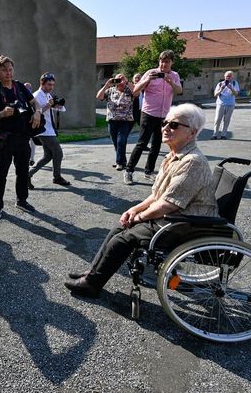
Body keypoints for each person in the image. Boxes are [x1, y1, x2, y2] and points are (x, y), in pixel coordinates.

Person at [64, 104, 218, 298]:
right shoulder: (173, 157)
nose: (166, 128)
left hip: (183, 224)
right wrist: (133, 210)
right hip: (171, 217)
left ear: (192, 132)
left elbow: (168, 204)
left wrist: (138, 218)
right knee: (119, 227)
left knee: (123, 238)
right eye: (165, 123)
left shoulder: (192, 161)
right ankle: (93, 273)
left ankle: (92, 284)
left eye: (174, 125)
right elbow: (156, 195)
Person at [0, 55, 42, 220]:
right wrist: (1, 113)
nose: (8, 73)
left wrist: (37, 112)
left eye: (10, 70)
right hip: (4, 138)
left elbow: (34, 102)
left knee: (23, 171)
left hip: (22, 136)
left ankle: (22, 200)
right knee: (0, 173)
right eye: (4, 70)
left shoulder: (20, 86)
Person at [124, 50, 183, 185]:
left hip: (164, 116)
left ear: (172, 62)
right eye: (162, 61)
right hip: (148, 114)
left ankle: (149, 172)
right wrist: (146, 80)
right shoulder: (150, 73)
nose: (163, 64)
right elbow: (135, 91)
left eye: (167, 62)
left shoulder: (174, 76)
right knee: (142, 143)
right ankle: (129, 171)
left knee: (156, 145)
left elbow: (179, 90)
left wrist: (170, 82)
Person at [28, 72, 71, 188]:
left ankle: (27, 175)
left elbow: (58, 109)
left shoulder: (47, 95)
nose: (51, 87)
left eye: (52, 85)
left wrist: (59, 104)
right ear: (42, 83)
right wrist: (48, 105)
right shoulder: (36, 96)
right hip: (43, 130)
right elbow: (36, 113)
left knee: (48, 156)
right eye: (49, 84)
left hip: (49, 129)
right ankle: (57, 177)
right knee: (58, 153)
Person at [96, 74, 134, 171]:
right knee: (116, 142)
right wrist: (106, 85)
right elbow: (99, 97)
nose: (119, 81)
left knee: (121, 141)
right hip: (112, 120)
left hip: (125, 121)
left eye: (121, 79)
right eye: (118, 79)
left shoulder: (128, 90)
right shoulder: (110, 90)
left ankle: (119, 163)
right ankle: (123, 160)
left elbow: (136, 93)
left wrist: (127, 81)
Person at [212, 70, 240, 140]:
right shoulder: (220, 84)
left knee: (226, 120)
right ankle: (215, 134)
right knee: (217, 119)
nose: (227, 78)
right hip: (220, 104)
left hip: (230, 104)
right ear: (224, 76)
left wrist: (231, 88)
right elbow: (215, 94)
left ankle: (223, 134)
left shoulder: (234, 83)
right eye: (226, 76)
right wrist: (221, 89)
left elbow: (236, 94)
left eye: (229, 76)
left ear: (232, 77)